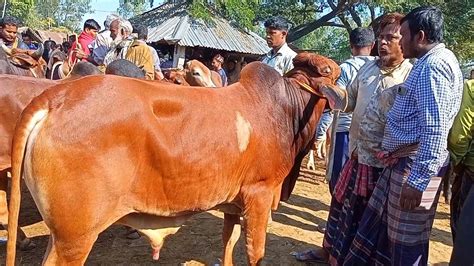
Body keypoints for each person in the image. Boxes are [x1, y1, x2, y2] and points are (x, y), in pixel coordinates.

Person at [345, 6, 463, 265]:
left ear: (419, 36)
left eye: (404, 34)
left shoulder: (434, 67)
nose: (399, 40)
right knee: (389, 237)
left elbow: (436, 128)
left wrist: (418, 181)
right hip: (405, 163)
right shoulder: (430, 63)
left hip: (414, 166)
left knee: (405, 244)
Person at [294, 14, 412, 264]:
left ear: (406, 40)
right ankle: (330, 254)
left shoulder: (410, 74)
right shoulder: (368, 68)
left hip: (385, 167)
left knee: (373, 226)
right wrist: (326, 89)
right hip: (358, 157)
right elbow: (348, 101)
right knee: (341, 211)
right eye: (381, 37)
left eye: (390, 37)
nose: (382, 42)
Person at [325, 27, 376, 192]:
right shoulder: (378, 67)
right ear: (373, 45)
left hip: (344, 131)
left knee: (339, 177)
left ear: (351, 45)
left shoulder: (345, 68)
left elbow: (337, 99)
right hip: (372, 133)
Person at [448, 70, 474, 266]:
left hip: (471, 173)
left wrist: (456, 162)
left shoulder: (471, 88)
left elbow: (459, 136)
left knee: (465, 234)